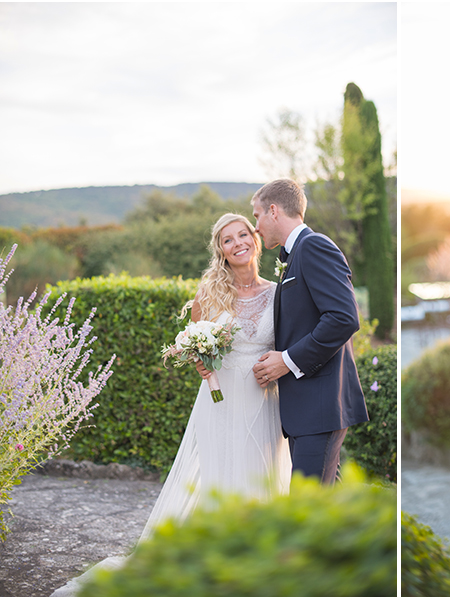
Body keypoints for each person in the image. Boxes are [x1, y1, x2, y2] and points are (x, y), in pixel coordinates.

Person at [53, 213, 292, 596]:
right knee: (222, 475)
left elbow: (287, 346)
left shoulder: (279, 293)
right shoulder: (211, 293)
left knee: (260, 474)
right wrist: (200, 358)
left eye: (243, 234)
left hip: (264, 398)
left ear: (256, 239)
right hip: (219, 400)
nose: (237, 243)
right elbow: (194, 344)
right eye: (227, 240)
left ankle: (258, 561)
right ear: (221, 251)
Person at [249, 179, 369, 485]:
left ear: (273, 211)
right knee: (326, 508)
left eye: (257, 215)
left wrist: (287, 360)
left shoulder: (313, 246)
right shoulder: (294, 255)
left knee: (307, 506)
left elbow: (344, 318)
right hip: (307, 409)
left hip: (320, 404)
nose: (256, 226)